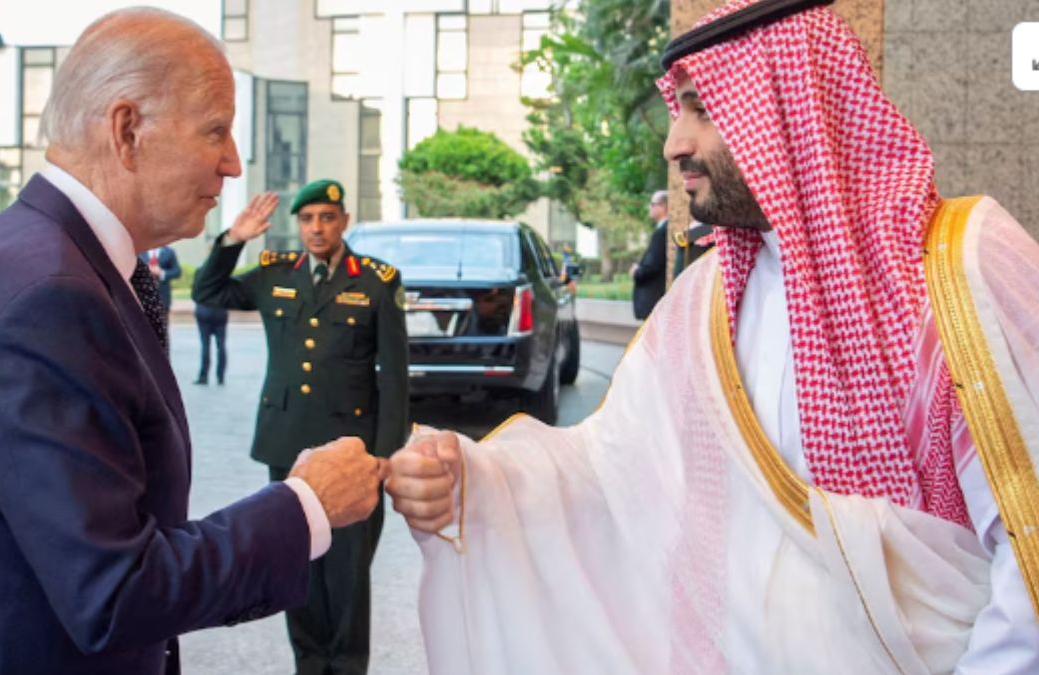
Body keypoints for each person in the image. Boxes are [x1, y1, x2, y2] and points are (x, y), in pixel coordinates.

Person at [386, 1, 1039, 673]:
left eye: (701, 108)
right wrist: (474, 482)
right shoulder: (703, 303)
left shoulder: (962, 265)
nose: (674, 143)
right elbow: (611, 472)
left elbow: (1031, 550)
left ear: (787, 104)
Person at [0, 9, 387, 675]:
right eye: (216, 131)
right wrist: (306, 503)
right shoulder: (47, 294)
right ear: (126, 130)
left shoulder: (53, 262)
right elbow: (113, 589)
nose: (233, 162)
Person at [193, 180, 409, 675]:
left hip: (355, 449)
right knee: (300, 563)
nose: (317, 228)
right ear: (298, 224)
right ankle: (310, 665)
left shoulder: (377, 280)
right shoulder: (275, 274)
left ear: (344, 221)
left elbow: (394, 377)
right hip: (288, 445)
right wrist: (234, 239)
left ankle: (348, 666)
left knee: (348, 576)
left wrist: (386, 455)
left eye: (327, 217)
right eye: (308, 218)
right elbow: (209, 290)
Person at [630, 189, 669, 320]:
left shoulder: (662, 232)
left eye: (653, 204)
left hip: (654, 300)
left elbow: (652, 266)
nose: (650, 208)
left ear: (664, 207)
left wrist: (636, 272)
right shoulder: (662, 229)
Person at [193, 269, 228, 385]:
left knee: (205, 345)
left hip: (204, 310)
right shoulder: (223, 273)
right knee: (221, 345)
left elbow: (194, 293)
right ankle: (220, 376)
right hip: (220, 311)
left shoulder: (200, 272)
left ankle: (203, 376)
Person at [141, 244, 182, 323]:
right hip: (143, 295)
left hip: (163, 296)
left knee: (163, 325)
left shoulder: (169, 252)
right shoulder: (140, 251)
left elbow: (177, 272)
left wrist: (162, 273)